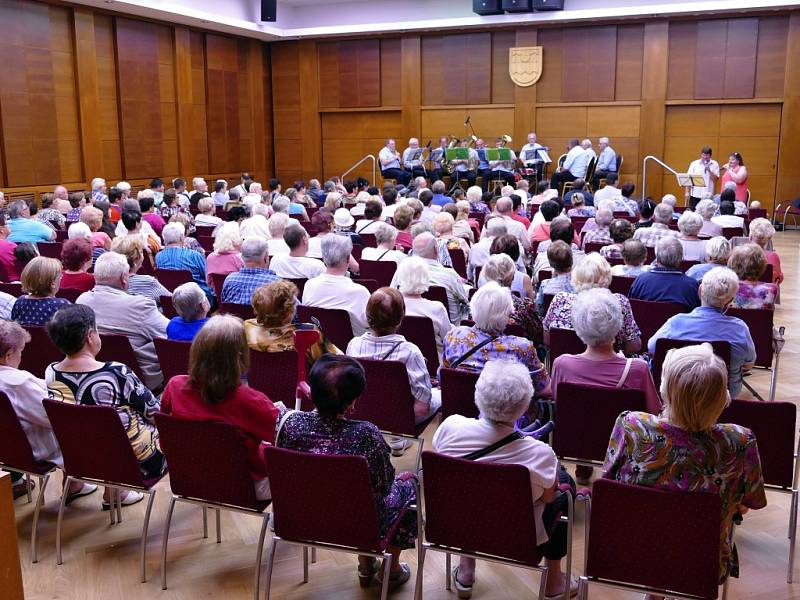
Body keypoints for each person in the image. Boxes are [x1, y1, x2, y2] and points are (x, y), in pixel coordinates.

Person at [604, 343, 766, 587]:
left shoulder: (632, 426)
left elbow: (609, 480)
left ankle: (654, 590)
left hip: (632, 548)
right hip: (702, 559)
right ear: (723, 398)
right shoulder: (740, 441)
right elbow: (749, 503)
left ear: (665, 389)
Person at [433, 360, 577, 600]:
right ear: (524, 406)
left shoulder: (450, 427)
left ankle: (466, 569)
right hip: (517, 536)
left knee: (470, 492)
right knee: (564, 488)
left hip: (456, 524)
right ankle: (554, 582)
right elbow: (549, 497)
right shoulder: (539, 454)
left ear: (478, 394)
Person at [276, 354, 418, 587]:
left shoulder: (288, 423)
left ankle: (366, 563)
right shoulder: (366, 434)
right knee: (409, 485)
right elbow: (384, 485)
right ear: (351, 402)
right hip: (359, 525)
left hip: (302, 519)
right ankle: (389, 569)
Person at [46, 304, 166, 507]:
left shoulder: (51, 373)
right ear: (90, 336)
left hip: (82, 457)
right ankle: (116, 493)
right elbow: (155, 414)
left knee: (104, 427)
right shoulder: (117, 372)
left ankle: (115, 492)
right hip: (134, 463)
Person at [161, 315, 280, 501]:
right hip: (243, 485)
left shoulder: (174, 386)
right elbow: (282, 435)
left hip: (191, 477)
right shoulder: (249, 400)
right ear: (240, 356)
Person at [0, 320, 93, 501]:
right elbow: (52, 418)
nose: (21, 357)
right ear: (9, 354)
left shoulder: (15, 380)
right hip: (31, 449)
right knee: (84, 425)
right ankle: (104, 489)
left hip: (7, 448)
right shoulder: (18, 383)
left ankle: (74, 483)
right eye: (20, 352)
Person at [552, 288, 661, 412]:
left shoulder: (562, 365)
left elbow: (559, 407)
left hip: (574, 431)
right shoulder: (638, 369)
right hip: (622, 432)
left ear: (579, 325)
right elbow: (654, 412)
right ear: (618, 323)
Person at [347, 287, 439, 425]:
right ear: (401, 317)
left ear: (367, 317)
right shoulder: (411, 352)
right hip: (400, 423)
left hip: (362, 415)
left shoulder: (354, 345)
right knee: (439, 395)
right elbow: (421, 408)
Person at [76, 252, 169, 390]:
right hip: (139, 381)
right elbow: (172, 334)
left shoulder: (81, 301)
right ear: (124, 278)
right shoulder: (140, 306)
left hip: (97, 378)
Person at [443, 282, 551, 394]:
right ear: (506, 316)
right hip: (506, 410)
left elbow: (444, 376)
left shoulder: (453, 335)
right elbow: (545, 389)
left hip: (461, 407)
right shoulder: (521, 347)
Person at [543, 253, 641, 355]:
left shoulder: (560, 299)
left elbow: (547, 339)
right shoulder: (619, 302)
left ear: (576, 276)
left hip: (567, 367)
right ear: (607, 277)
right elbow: (634, 346)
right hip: (608, 367)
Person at [245, 279, 340, 369]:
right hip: (301, 385)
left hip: (258, 384)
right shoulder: (309, 333)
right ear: (287, 313)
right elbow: (336, 361)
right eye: (293, 304)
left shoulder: (248, 328)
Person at [302, 234, 371, 336]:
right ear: (348, 259)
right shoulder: (360, 292)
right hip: (351, 349)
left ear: (324, 258)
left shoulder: (309, 286)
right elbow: (371, 325)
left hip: (319, 347)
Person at [394, 232, 469, 324]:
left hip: (405, 325)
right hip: (448, 328)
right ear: (436, 250)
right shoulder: (450, 275)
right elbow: (465, 302)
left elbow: (392, 294)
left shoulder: (402, 271)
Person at [393, 257, 453, 357]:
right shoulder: (436, 309)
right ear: (425, 278)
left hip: (398, 359)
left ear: (400, 277)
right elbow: (449, 339)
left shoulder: (391, 305)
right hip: (433, 365)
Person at [481, 254, 542, 344]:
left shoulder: (477, 307)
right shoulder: (523, 307)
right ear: (512, 277)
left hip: (484, 353)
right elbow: (538, 336)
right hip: (517, 354)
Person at [629, 237, 700, 311]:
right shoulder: (691, 285)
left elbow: (631, 309)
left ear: (656, 257)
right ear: (681, 258)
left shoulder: (641, 280)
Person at [157, 222, 215, 302]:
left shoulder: (158, 256)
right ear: (181, 237)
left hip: (172, 298)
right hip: (198, 299)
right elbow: (208, 277)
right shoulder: (194, 255)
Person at [111, 236, 171, 307]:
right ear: (137, 258)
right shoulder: (148, 282)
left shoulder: (108, 282)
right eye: (142, 252)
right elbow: (171, 300)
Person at [11, 257, 70, 326]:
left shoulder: (19, 302)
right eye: (60, 277)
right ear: (53, 283)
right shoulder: (62, 305)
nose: (61, 279)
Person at [220, 236, 279, 305]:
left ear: (242, 257)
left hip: (235, 316)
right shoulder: (276, 284)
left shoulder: (229, 280)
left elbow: (224, 306)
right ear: (266, 257)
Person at [727, 243, 778, 309]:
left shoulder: (729, 288)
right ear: (762, 264)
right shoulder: (771, 289)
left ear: (734, 264)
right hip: (760, 319)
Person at [536, 241, 575, 316]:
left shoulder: (545, 285)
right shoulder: (580, 284)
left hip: (551, 324)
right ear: (571, 261)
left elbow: (539, 309)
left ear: (550, 263)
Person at [205, 222, 244, 287]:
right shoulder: (240, 259)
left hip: (217, 295)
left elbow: (209, 282)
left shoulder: (210, 257)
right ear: (236, 240)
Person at [748, 218, 783, 284]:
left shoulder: (738, 254)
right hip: (766, 293)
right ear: (769, 238)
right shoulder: (773, 257)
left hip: (743, 292)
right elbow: (779, 278)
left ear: (750, 236)